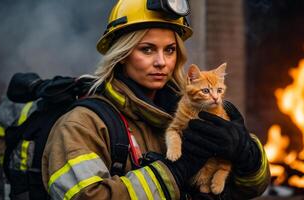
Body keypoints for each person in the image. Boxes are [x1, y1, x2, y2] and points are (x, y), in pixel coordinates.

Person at [41, 0, 271, 199]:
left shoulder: (192, 110)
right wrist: (173, 172)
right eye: (147, 50)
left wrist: (246, 154)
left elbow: (249, 189)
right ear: (122, 55)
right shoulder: (81, 125)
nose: (162, 62)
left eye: (170, 50)